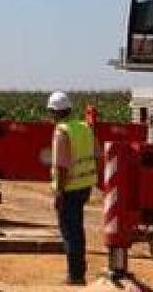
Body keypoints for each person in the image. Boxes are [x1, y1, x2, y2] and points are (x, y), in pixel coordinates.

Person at [48, 91, 98, 286]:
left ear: (55, 112)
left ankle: (75, 275)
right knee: (77, 229)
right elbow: (97, 153)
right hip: (84, 186)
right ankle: (79, 271)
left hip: (69, 189)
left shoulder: (62, 131)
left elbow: (61, 165)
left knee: (70, 231)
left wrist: (59, 192)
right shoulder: (85, 127)